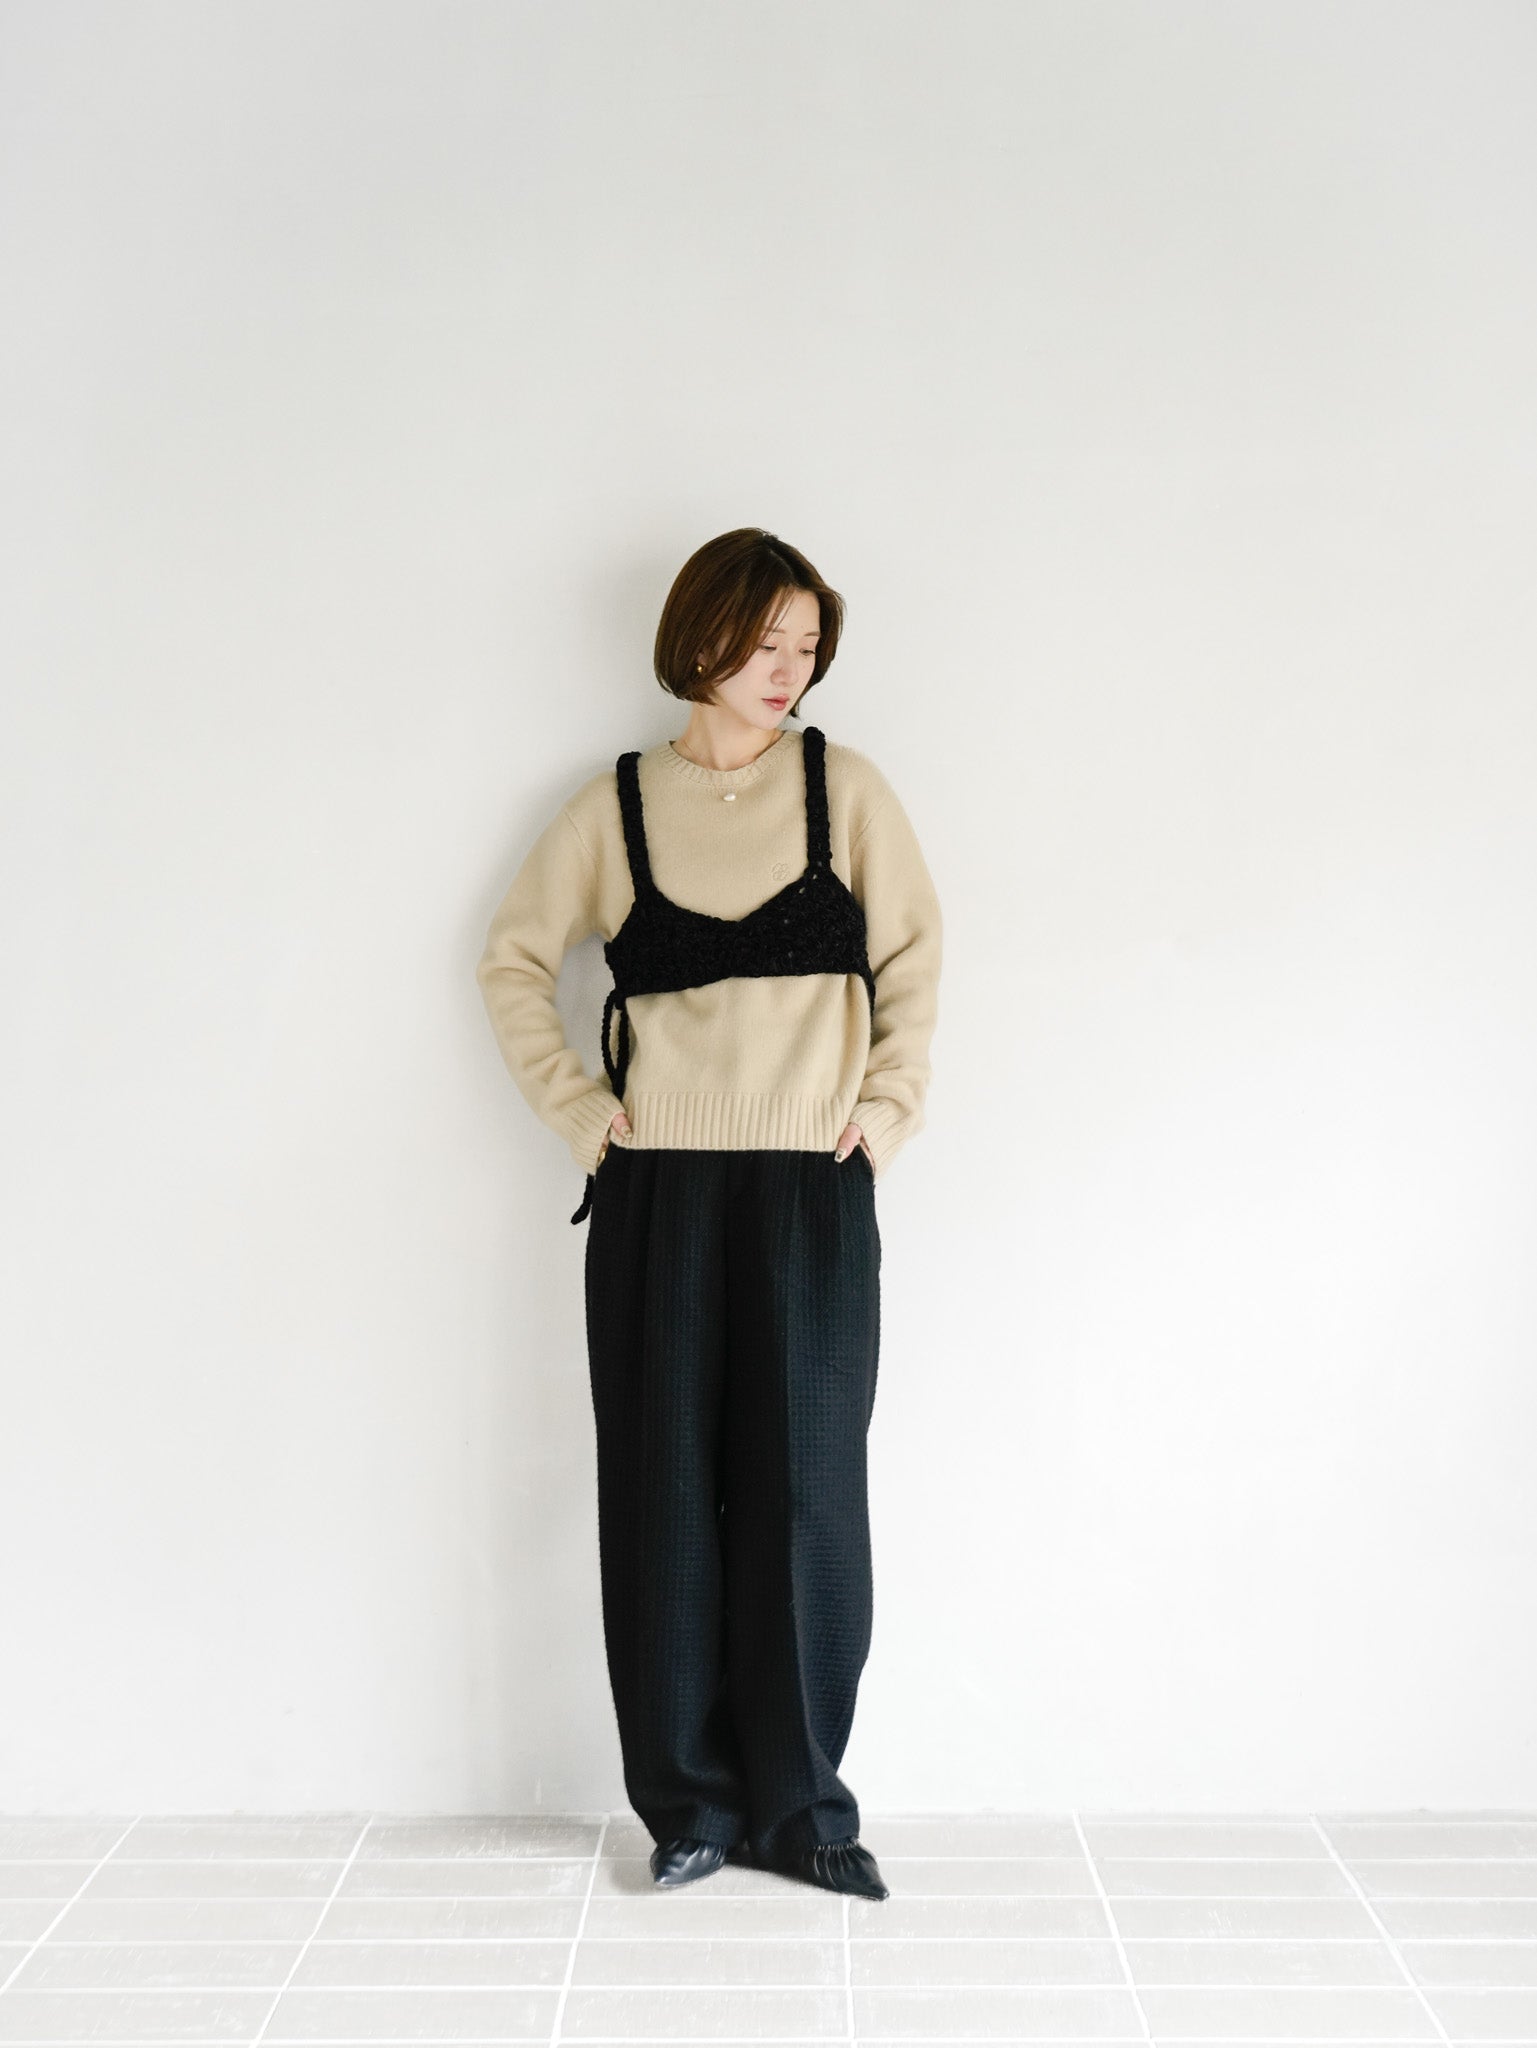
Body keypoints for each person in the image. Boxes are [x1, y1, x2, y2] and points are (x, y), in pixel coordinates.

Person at [475, 527, 942, 1901]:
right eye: (764, 642)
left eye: (807, 647)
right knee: (664, 1493)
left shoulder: (843, 791)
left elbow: (915, 959)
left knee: (805, 1496)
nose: (787, 669)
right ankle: (686, 1807)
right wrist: (581, 1113)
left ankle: (802, 1812)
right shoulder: (614, 807)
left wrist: (887, 1111)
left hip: (811, 1183)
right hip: (658, 1191)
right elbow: (511, 961)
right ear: (700, 638)